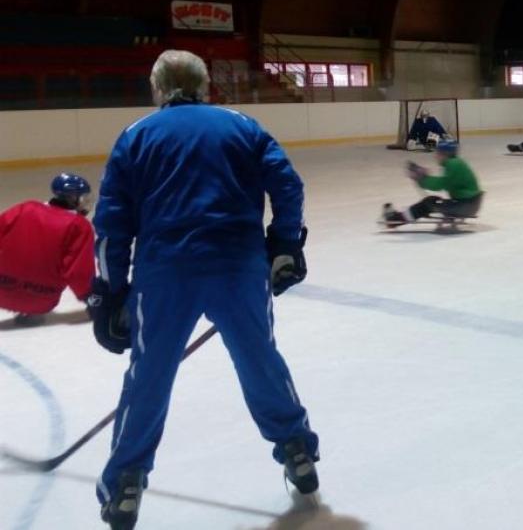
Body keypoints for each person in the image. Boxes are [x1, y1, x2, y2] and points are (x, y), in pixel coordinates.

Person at [88, 49, 320, 530]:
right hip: (238, 268)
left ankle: (126, 481)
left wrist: (109, 294)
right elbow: (289, 187)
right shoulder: (243, 126)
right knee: (260, 359)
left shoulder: (136, 137)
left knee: (149, 376)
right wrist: (283, 245)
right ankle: (296, 447)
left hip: (165, 274)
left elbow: (111, 225)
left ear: (157, 88)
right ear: (205, 84)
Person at [0, 173, 94, 326]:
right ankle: (30, 311)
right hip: (41, 300)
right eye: (83, 198)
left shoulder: (25, 208)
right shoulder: (79, 226)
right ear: (73, 199)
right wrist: (92, 300)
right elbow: (78, 273)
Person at [383, 139, 483, 225]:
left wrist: (422, 179)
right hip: (468, 204)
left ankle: (395, 220)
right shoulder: (456, 163)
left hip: (466, 206)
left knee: (428, 203)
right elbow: (444, 182)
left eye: (437, 153)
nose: (435, 156)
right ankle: (397, 218)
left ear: (444, 154)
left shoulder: (453, 164)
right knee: (431, 201)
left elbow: (441, 184)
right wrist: (424, 177)